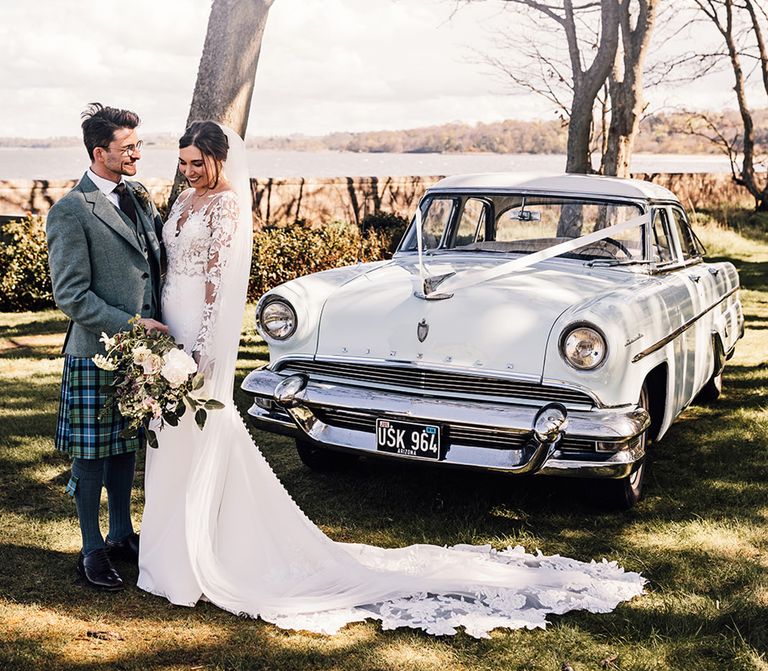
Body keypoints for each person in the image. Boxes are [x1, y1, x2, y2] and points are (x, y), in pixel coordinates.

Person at [137, 121, 645, 637]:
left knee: (198, 430)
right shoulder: (182, 202)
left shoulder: (227, 205)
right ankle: (173, 539)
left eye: (197, 163)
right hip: (166, 321)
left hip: (199, 334)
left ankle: (201, 543)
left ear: (222, 160)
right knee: (171, 433)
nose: (188, 172)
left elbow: (218, 285)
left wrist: (201, 348)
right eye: (183, 163)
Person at [46, 103, 167, 592]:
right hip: (97, 349)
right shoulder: (70, 211)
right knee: (92, 456)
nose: (137, 153)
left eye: (138, 144)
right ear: (100, 153)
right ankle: (91, 549)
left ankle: (121, 534)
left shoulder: (137, 195)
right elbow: (70, 295)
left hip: (142, 352)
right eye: (128, 147)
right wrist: (134, 325)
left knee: (125, 449)